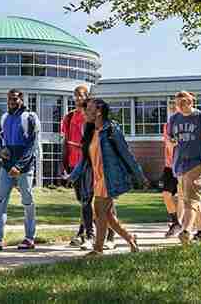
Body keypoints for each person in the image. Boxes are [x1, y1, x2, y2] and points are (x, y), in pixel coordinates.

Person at [69, 98, 148, 256]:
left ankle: (98, 250)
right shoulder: (91, 131)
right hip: (97, 178)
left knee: (98, 212)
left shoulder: (112, 130)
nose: (84, 112)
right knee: (108, 216)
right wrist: (73, 175)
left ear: (98, 111)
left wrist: (140, 176)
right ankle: (130, 238)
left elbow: (126, 154)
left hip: (109, 178)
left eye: (88, 108)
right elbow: (85, 158)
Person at [61, 85, 116, 250]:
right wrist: (64, 164)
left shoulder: (94, 115)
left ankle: (107, 236)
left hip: (95, 163)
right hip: (75, 163)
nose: (77, 98)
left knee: (103, 200)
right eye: (75, 96)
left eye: (81, 95)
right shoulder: (69, 117)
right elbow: (65, 141)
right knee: (83, 200)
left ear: (88, 96)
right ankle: (85, 233)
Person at [0, 89, 41, 251]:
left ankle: (29, 237)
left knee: (27, 201)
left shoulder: (30, 117)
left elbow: (32, 145)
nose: (11, 101)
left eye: (15, 99)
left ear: (22, 100)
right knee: (1, 201)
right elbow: (0, 136)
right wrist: (1, 148)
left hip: (24, 167)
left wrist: (19, 166)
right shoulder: (4, 117)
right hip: (6, 166)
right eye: (9, 99)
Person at [169, 91, 201, 246]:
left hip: (197, 164)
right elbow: (170, 140)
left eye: (183, 102)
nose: (180, 105)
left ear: (191, 101)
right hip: (180, 164)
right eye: (177, 103)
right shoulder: (174, 119)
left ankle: (186, 231)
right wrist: (171, 142)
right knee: (190, 198)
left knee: (191, 200)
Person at [162, 104, 183, 237]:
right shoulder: (167, 126)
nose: (173, 112)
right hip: (170, 166)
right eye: (171, 110)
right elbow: (170, 145)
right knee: (166, 195)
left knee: (182, 197)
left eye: (176, 110)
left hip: (184, 166)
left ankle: (179, 224)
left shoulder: (186, 127)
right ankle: (176, 222)